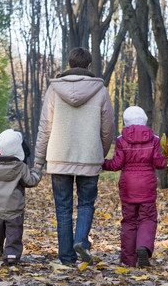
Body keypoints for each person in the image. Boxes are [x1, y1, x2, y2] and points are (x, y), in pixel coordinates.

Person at [34, 47, 115, 265]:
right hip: (89, 157)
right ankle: (81, 240)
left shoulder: (53, 91)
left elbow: (45, 128)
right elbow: (108, 129)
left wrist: (39, 161)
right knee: (86, 204)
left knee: (63, 208)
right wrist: (100, 152)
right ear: (89, 66)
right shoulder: (100, 91)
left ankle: (67, 257)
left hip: (59, 158)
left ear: (69, 65)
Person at [102, 106, 167, 267]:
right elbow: (159, 164)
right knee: (147, 218)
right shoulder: (155, 140)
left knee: (129, 221)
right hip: (147, 185)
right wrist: (165, 158)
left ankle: (128, 259)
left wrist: (101, 163)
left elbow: (116, 164)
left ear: (126, 121)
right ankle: (143, 246)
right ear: (145, 120)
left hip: (128, 186)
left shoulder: (121, 140)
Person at [0, 129, 41, 265]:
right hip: (14, 207)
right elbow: (30, 181)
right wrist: (36, 171)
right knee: (14, 231)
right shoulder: (20, 166)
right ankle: (12, 254)